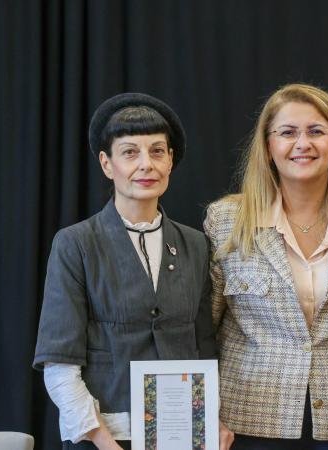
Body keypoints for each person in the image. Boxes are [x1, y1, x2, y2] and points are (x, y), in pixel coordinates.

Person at [205, 83, 328, 450]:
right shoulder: (226, 221)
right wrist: (204, 413)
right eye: (287, 132)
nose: (302, 143)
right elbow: (204, 328)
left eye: (316, 131)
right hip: (251, 418)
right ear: (268, 146)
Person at [33, 93, 217, 450]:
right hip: (105, 435)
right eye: (130, 152)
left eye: (157, 151)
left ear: (171, 161)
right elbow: (59, 363)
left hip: (182, 434)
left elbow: (205, 345)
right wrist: (102, 439)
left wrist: (212, 420)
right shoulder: (76, 244)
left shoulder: (196, 244)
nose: (146, 165)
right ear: (106, 164)